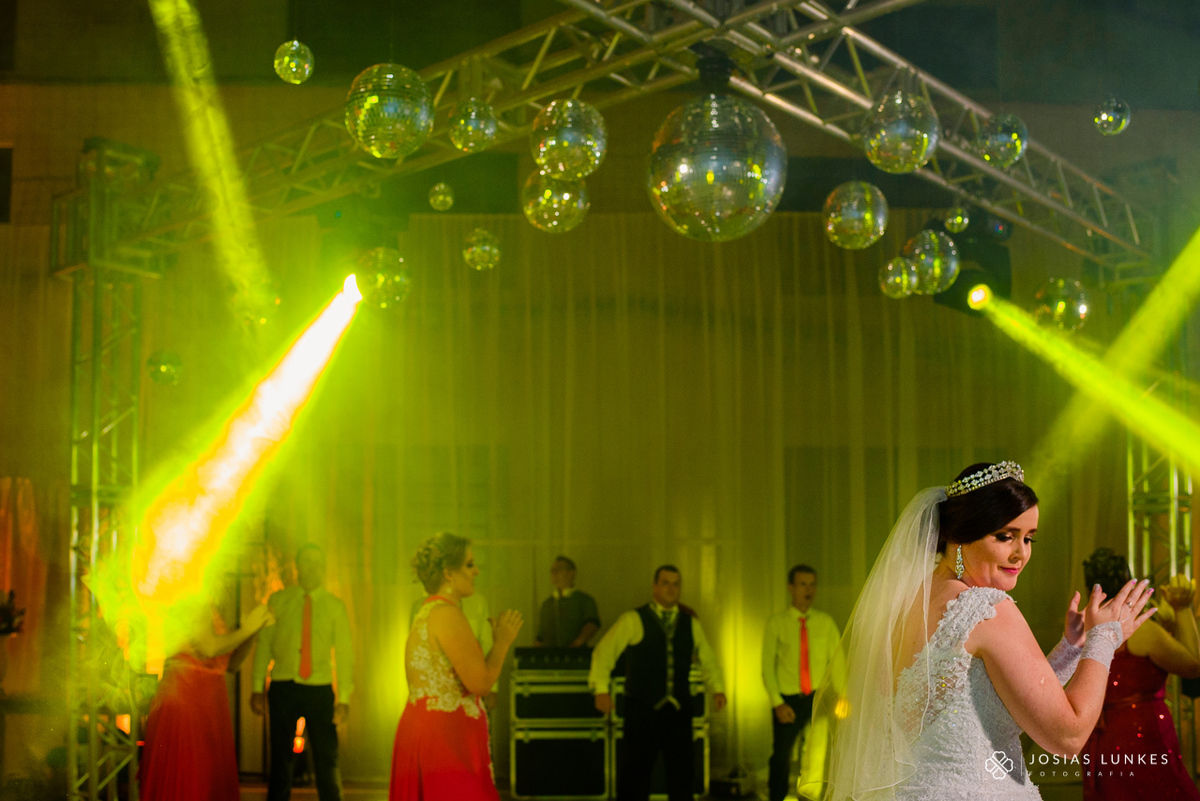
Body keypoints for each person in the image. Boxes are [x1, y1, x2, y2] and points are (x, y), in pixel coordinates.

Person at [814, 461, 1157, 800]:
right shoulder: (985, 609)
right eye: (1005, 536)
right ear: (960, 536)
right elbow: (1068, 737)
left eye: (1029, 539)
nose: (1020, 554)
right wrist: (1104, 639)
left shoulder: (904, 603)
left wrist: (1071, 648)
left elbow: (1002, 704)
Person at [389, 532, 524, 800]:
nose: (476, 571)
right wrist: (502, 643)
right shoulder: (446, 614)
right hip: (445, 738)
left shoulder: (428, 612)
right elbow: (481, 684)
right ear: (449, 573)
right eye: (469, 564)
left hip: (428, 729)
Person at [589, 565, 726, 801]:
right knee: (635, 775)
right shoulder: (633, 619)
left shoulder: (690, 623)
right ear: (654, 586)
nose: (671, 588)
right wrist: (601, 689)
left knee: (682, 775)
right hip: (642, 711)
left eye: (676, 584)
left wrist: (718, 689)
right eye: (666, 583)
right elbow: (604, 653)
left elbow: (708, 659)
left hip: (678, 712)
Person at [1081, 548, 1200, 801]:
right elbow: (1193, 665)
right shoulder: (1140, 631)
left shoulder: (1084, 627)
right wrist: (1183, 608)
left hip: (1102, 738)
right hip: (1143, 735)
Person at [140, 602, 275, 801]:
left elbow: (232, 665)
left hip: (208, 700)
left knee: (209, 779)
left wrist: (251, 632)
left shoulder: (211, 607)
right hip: (187, 697)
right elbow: (210, 648)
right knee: (192, 777)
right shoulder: (191, 597)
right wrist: (247, 628)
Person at [252, 544, 355, 801]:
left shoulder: (334, 606)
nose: (312, 568)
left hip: (319, 688)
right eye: (307, 562)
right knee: (280, 760)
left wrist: (344, 698)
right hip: (283, 686)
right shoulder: (279, 601)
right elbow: (264, 645)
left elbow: (344, 653)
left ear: (323, 568)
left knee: (326, 759)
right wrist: (256, 687)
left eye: (317, 563)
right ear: (297, 567)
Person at [761, 565, 840, 801]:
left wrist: (842, 694)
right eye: (803, 584)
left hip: (816, 697)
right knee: (781, 756)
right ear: (791, 588)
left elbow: (838, 662)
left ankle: (812, 797)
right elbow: (767, 667)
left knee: (816, 754)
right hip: (788, 698)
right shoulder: (777, 623)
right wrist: (777, 703)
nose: (809, 590)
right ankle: (777, 796)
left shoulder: (825, 623)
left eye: (812, 584)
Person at [536, 556, 601, 647]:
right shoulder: (547, 604)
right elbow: (540, 637)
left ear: (572, 573)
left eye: (558, 570)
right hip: (549, 657)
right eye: (552, 571)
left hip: (576, 656)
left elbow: (592, 625)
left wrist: (575, 645)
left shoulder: (584, 600)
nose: (554, 574)